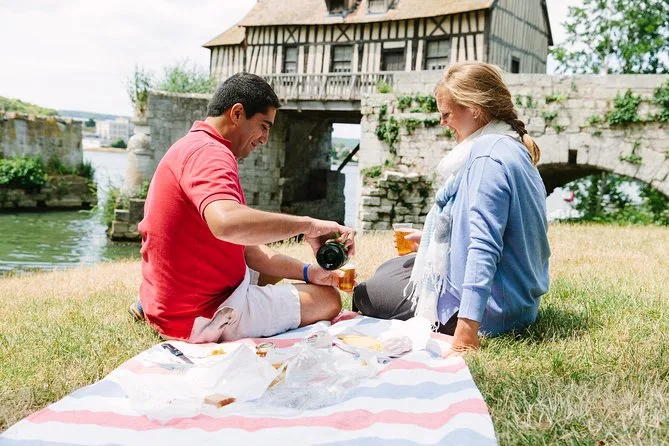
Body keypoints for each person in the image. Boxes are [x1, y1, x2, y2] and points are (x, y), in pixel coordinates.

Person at [135, 73, 355, 343]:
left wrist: (310, 272)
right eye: (263, 126)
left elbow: (248, 250)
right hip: (199, 315)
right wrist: (308, 226)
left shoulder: (193, 145)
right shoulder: (211, 154)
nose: (265, 138)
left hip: (165, 299)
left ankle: (147, 308)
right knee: (328, 299)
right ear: (237, 113)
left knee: (270, 270)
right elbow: (227, 223)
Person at [353, 61, 550, 354]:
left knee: (366, 294)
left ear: (474, 109)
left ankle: (456, 315)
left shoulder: (485, 156)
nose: (442, 123)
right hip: (519, 301)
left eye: (446, 114)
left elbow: (484, 246)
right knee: (393, 268)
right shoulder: (510, 145)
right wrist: (431, 240)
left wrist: (467, 330)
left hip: (493, 313)